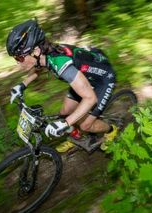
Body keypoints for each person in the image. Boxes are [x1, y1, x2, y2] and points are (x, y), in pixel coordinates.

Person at [7, 19, 117, 152]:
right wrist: (22, 85)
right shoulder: (44, 55)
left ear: (35, 51)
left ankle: (111, 130)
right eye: (15, 59)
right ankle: (76, 138)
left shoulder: (60, 64)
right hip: (83, 78)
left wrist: (65, 124)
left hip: (103, 79)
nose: (18, 63)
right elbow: (38, 68)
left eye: (19, 58)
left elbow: (90, 98)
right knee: (65, 112)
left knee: (85, 125)